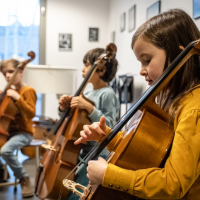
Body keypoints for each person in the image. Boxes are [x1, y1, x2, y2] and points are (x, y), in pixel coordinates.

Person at [75, 9, 200, 200]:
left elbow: (172, 184)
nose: (141, 71)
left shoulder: (193, 109)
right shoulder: (176, 100)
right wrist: (108, 137)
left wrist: (108, 175)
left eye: (147, 60)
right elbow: (149, 151)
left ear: (179, 56)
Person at [59, 47, 120, 200]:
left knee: (77, 194)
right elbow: (72, 121)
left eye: (86, 65)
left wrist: (90, 108)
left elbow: (110, 126)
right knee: (68, 190)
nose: (83, 69)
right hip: (81, 152)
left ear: (100, 70)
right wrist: (63, 107)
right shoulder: (87, 93)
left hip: (97, 154)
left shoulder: (108, 94)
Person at [0, 59, 37, 198]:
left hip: (24, 133)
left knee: (5, 150)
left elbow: (31, 113)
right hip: (8, 132)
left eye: (11, 71)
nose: (8, 76)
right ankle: (1, 171)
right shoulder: (9, 92)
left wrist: (18, 98)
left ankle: (24, 179)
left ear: (21, 71)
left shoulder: (28, 91)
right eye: (5, 74)